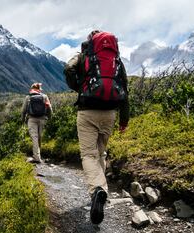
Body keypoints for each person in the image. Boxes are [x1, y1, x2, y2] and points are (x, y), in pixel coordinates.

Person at [64, 30, 129, 225]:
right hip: (110, 113)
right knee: (101, 153)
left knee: (88, 155)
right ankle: (101, 190)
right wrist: (124, 120)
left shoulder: (84, 55)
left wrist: (79, 86)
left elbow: (68, 68)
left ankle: (97, 190)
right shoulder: (115, 59)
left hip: (87, 111)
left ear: (90, 41)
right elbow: (124, 88)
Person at [21, 83, 52, 163]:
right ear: (40, 89)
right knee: (39, 137)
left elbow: (23, 110)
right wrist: (49, 117)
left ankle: (36, 157)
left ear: (32, 88)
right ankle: (38, 156)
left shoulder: (28, 97)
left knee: (34, 137)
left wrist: (23, 120)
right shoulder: (44, 96)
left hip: (31, 119)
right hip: (42, 119)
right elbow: (49, 108)